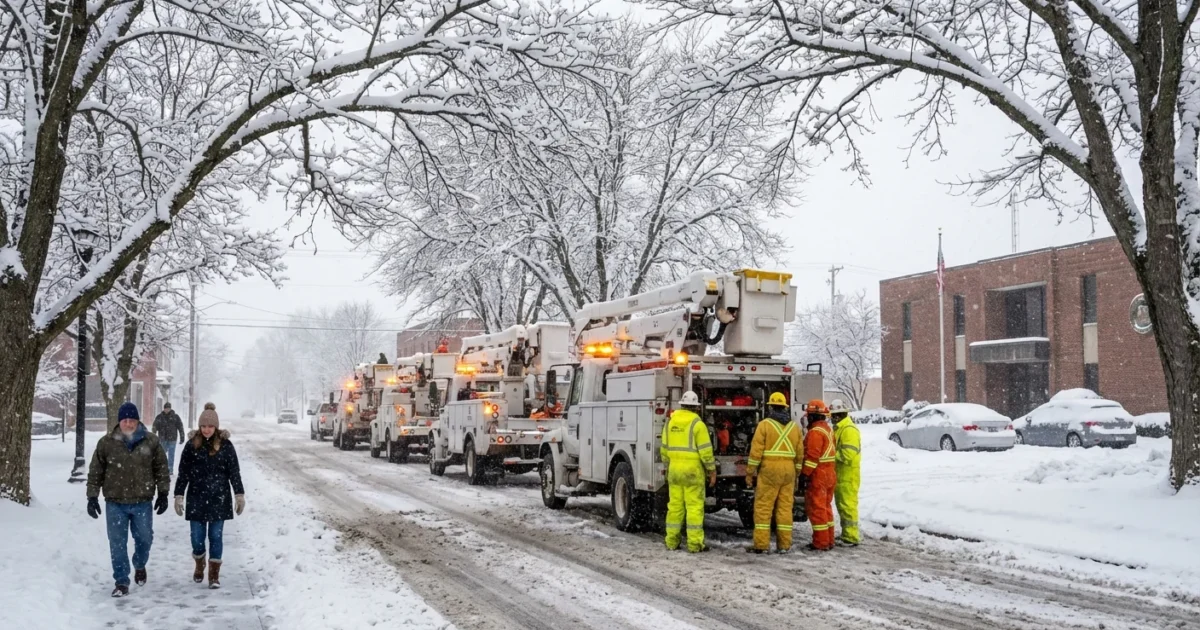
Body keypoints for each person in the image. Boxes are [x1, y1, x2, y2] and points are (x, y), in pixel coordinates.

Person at [86, 402, 171, 598]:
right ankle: (121, 581)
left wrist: (163, 493)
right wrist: (92, 496)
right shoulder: (106, 443)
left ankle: (140, 564)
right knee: (117, 543)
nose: (128, 423)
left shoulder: (151, 441)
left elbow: (161, 469)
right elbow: (95, 471)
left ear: (137, 421)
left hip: (142, 501)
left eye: (132, 420)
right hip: (115, 502)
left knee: (145, 538)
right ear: (119, 421)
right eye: (125, 420)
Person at [174, 402, 246, 589]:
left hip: (219, 498)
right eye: (203, 426)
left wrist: (239, 494)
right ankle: (199, 562)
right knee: (197, 537)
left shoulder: (226, 446)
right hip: (196, 498)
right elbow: (183, 473)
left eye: (210, 426)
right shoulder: (191, 446)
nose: (207, 430)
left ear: (216, 426)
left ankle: (214, 575)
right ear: (199, 426)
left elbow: (234, 472)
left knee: (216, 536)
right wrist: (179, 495)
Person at [745, 392, 802, 554]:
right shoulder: (795, 428)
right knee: (785, 509)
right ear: (785, 407)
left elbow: (756, 452)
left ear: (770, 407)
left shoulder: (764, 425)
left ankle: (761, 545)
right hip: (789, 472)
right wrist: (797, 473)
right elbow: (800, 454)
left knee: (764, 508)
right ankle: (784, 545)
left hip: (769, 470)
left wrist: (750, 472)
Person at [660, 390, 716, 553]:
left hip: (675, 472)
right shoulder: (698, 425)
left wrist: (669, 466)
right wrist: (711, 470)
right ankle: (694, 544)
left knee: (675, 508)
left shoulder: (670, 423)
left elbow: (664, 450)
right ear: (696, 408)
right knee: (694, 508)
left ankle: (671, 542)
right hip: (692, 473)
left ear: (682, 405)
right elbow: (706, 451)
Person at [800, 399, 837, 551]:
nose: (807, 418)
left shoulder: (815, 432)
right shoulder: (827, 430)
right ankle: (829, 540)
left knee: (817, 509)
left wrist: (804, 475)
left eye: (809, 415)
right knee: (826, 508)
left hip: (819, 475)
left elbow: (812, 457)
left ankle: (821, 543)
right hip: (829, 473)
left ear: (813, 416)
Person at [830, 399, 862, 546]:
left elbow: (848, 454)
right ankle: (847, 534)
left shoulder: (848, 429)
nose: (833, 417)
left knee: (848, 506)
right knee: (843, 505)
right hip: (842, 474)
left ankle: (851, 537)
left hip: (848, 475)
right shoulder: (840, 428)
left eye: (836, 414)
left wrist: (830, 456)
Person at [152, 402, 186, 473]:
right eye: (166, 408)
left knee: (171, 455)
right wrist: (153, 434)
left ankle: (170, 469)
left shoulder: (175, 417)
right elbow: (155, 426)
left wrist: (182, 436)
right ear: (164, 409)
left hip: (172, 439)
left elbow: (180, 427)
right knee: (162, 455)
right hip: (162, 439)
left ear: (170, 408)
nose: (167, 410)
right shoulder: (159, 417)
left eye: (168, 408)